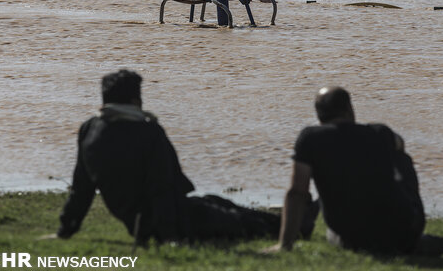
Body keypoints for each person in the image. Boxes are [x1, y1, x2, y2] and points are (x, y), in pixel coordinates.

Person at [57, 69, 308, 245]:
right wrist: (170, 236)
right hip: (167, 222)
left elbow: (82, 186)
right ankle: (297, 228)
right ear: (135, 99)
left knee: (216, 201)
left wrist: (66, 229)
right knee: (236, 220)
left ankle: (294, 224)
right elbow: (162, 187)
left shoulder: (90, 128)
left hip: (139, 222)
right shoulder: (148, 131)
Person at [266, 86, 443, 256]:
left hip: (350, 236)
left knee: (336, 179)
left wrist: (285, 244)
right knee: (400, 157)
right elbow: (399, 143)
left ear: (318, 114)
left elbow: (297, 191)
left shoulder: (310, 138)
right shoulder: (379, 132)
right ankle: (412, 240)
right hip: (405, 230)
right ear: (349, 109)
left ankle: (391, 240)